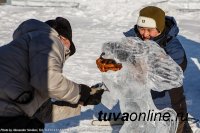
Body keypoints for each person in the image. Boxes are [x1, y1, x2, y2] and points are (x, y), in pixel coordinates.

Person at [0, 17, 104, 132]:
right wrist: (81, 93)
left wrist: (81, 101)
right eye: (68, 50)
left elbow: (42, 112)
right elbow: (50, 82)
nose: (66, 55)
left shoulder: (25, 50)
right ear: (64, 38)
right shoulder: (49, 39)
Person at [123, 6, 192, 133]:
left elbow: (178, 66)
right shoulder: (133, 39)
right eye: (141, 28)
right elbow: (118, 52)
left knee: (177, 127)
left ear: (159, 29)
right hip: (143, 101)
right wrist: (110, 58)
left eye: (149, 30)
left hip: (170, 104)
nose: (144, 34)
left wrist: (151, 64)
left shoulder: (172, 45)